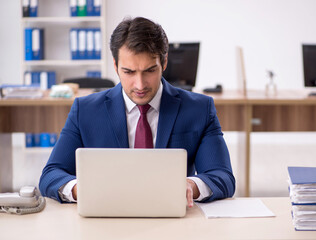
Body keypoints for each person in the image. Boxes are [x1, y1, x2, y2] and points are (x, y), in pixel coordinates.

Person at [39, 17, 235, 207]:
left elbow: (222, 176)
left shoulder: (199, 109)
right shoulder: (85, 111)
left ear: (164, 63)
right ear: (115, 66)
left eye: (149, 71)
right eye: (129, 72)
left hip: (171, 218)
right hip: (106, 217)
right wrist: (79, 189)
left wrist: (191, 186)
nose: (140, 85)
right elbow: (51, 174)